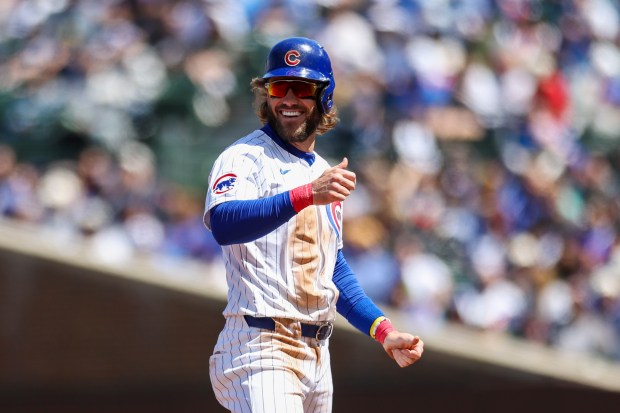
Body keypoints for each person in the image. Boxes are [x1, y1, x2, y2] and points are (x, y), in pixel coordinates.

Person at [203, 37, 424, 413]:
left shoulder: (323, 174)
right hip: (260, 344)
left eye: (302, 88)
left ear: (325, 98)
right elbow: (224, 224)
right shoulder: (244, 157)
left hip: (318, 355)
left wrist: (382, 329)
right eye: (277, 87)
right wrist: (305, 195)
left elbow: (330, 269)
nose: (288, 99)